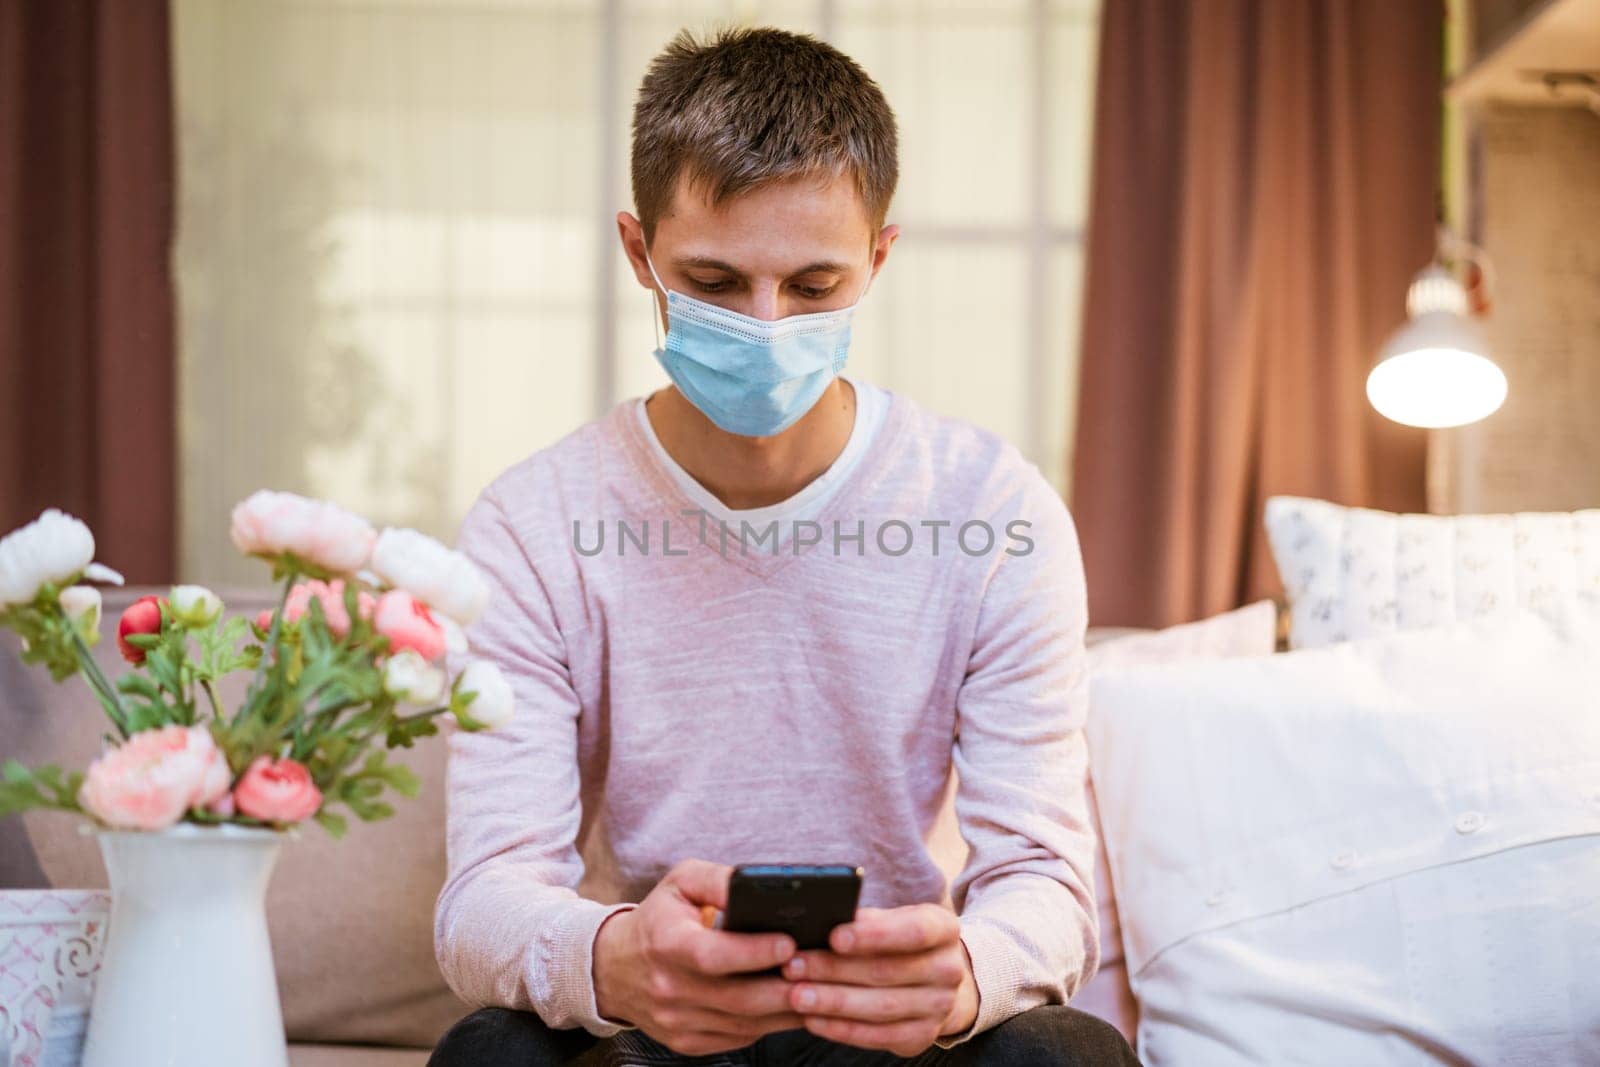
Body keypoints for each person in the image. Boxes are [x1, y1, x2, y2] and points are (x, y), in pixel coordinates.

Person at [430, 25, 1138, 1067]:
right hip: (660, 1031)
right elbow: (482, 897)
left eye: (812, 288)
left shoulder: (998, 511)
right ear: (639, 253)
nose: (765, 325)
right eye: (714, 282)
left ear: (879, 256)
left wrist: (957, 979)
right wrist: (617, 954)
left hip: (899, 1041)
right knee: (489, 1051)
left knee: (1064, 1052)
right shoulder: (531, 525)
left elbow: (1048, 883)